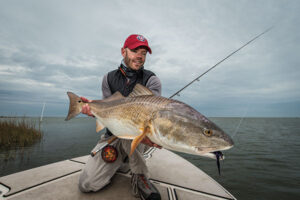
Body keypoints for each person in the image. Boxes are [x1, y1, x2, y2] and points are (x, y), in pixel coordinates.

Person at [78, 34, 162, 200]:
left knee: (129, 132)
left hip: (140, 137)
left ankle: (139, 176)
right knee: (86, 184)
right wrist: (93, 110)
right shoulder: (108, 78)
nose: (140, 56)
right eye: (135, 51)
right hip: (113, 135)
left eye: (144, 53)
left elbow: (155, 117)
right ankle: (121, 160)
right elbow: (106, 110)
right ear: (123, 51)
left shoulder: (152, 80)